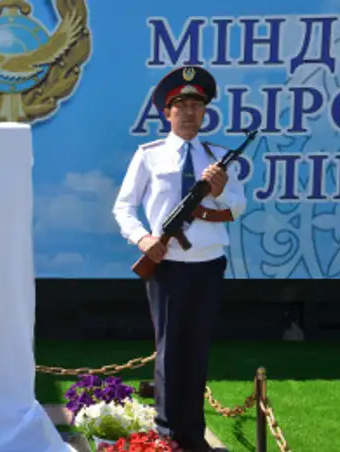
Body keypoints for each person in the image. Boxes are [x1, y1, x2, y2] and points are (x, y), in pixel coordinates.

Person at [112, 66, 247, 452]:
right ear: (167, 113)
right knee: (170, 350)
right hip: (167, 266)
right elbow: (123, 208)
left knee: (197, 346)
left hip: (208, 264)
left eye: (196, 105)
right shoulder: (149, 156)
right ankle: (168, 433)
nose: (189, 113)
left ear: (205, 112)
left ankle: (193, 433)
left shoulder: (217, 159)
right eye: (181, 105)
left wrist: (219, 191)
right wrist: (143, 239)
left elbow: (238, 207)